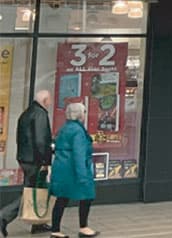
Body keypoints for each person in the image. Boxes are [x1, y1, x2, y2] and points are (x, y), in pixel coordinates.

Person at [0, 90, 53, 237]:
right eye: (49, 100)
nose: (50, 103)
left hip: (25, 157)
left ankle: (38, 223)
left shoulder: (27, 113)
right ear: (44, 100)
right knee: (30, 191)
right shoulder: (40, 114)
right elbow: (41, 140)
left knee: (35, 189)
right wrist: (45, 161)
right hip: (35, 159)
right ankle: (4, 216)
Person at [48, 102, 99, 238]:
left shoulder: (65, 128)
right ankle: (84, 227)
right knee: (87, 196)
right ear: (80, 114)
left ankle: (55, 230)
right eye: (84, 111)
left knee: (62, 198)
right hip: (74, 169)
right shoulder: (78, 131)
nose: (85, 114)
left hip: (62, 168)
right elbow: (79, 154)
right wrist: (83, 176)